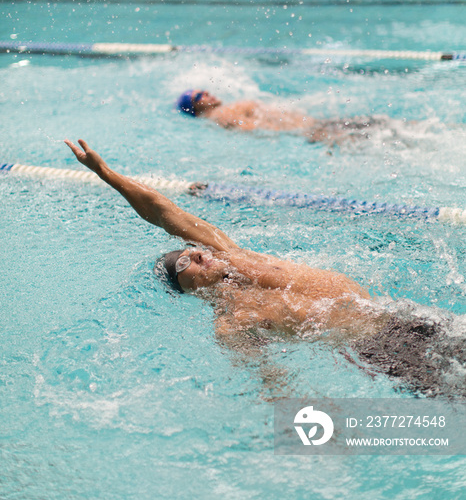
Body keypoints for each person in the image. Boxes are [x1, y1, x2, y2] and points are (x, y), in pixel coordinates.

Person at [64, 139, 466, 397]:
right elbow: (271, 379)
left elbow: (164, 211)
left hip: (397, 314)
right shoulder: (233, 323)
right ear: (185, 286)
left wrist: (107, 174)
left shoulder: (232, 254)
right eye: (185, 261)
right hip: (375, 347)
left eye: (191, 249)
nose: (196, 253)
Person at [176, 89, 393, 144]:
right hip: (310, 130)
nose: (207, 93)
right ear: (195, 108)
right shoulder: (221, 115)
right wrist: (296, 130)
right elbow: (252, 128)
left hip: (312, 126)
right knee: (379, 132)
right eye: (199, 96)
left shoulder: (224, 110)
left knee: (378, 129)